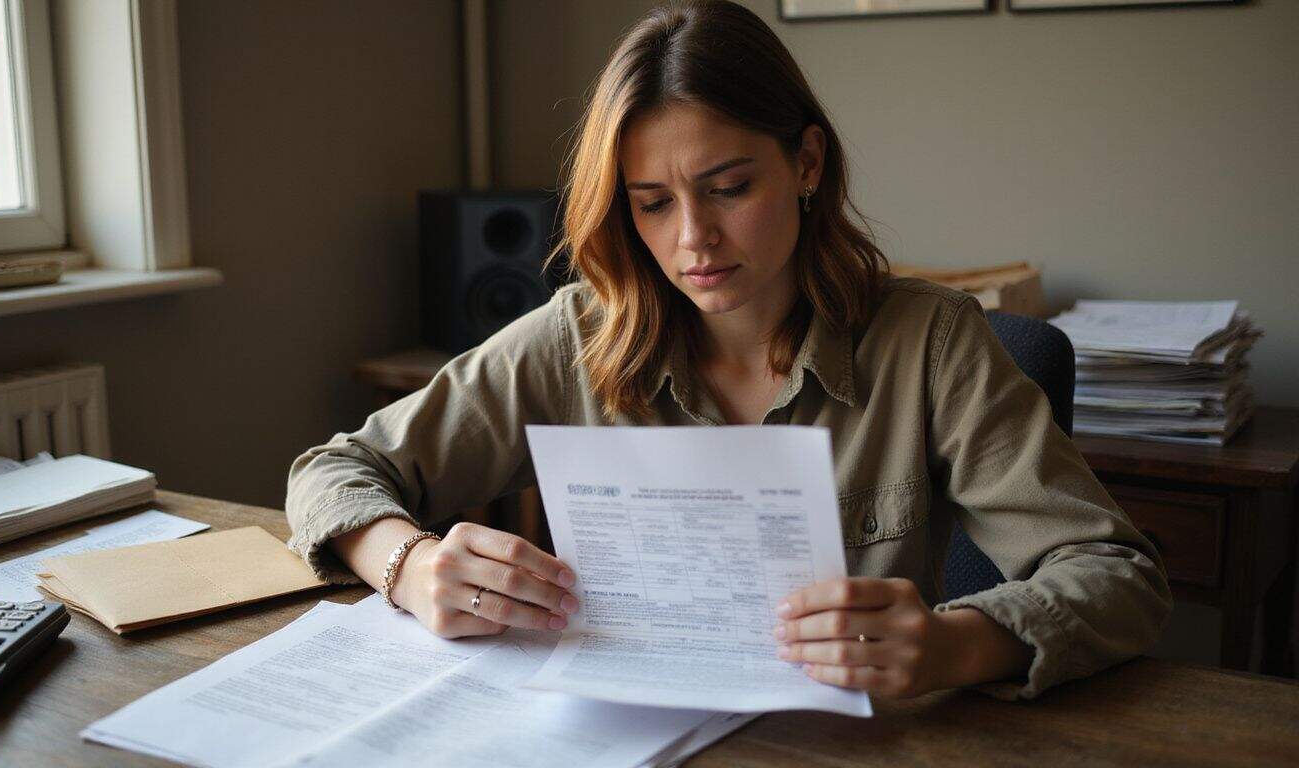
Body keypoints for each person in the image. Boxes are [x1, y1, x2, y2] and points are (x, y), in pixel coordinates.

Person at [286, 0, 1170, 701]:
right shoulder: (577, 333)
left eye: (729, 187)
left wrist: (953, 644)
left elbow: (1117, 577)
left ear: (808, 164)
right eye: (652, 203)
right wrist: (408, 566)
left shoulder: (932, 342)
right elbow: (334, 471)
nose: (694, 240)